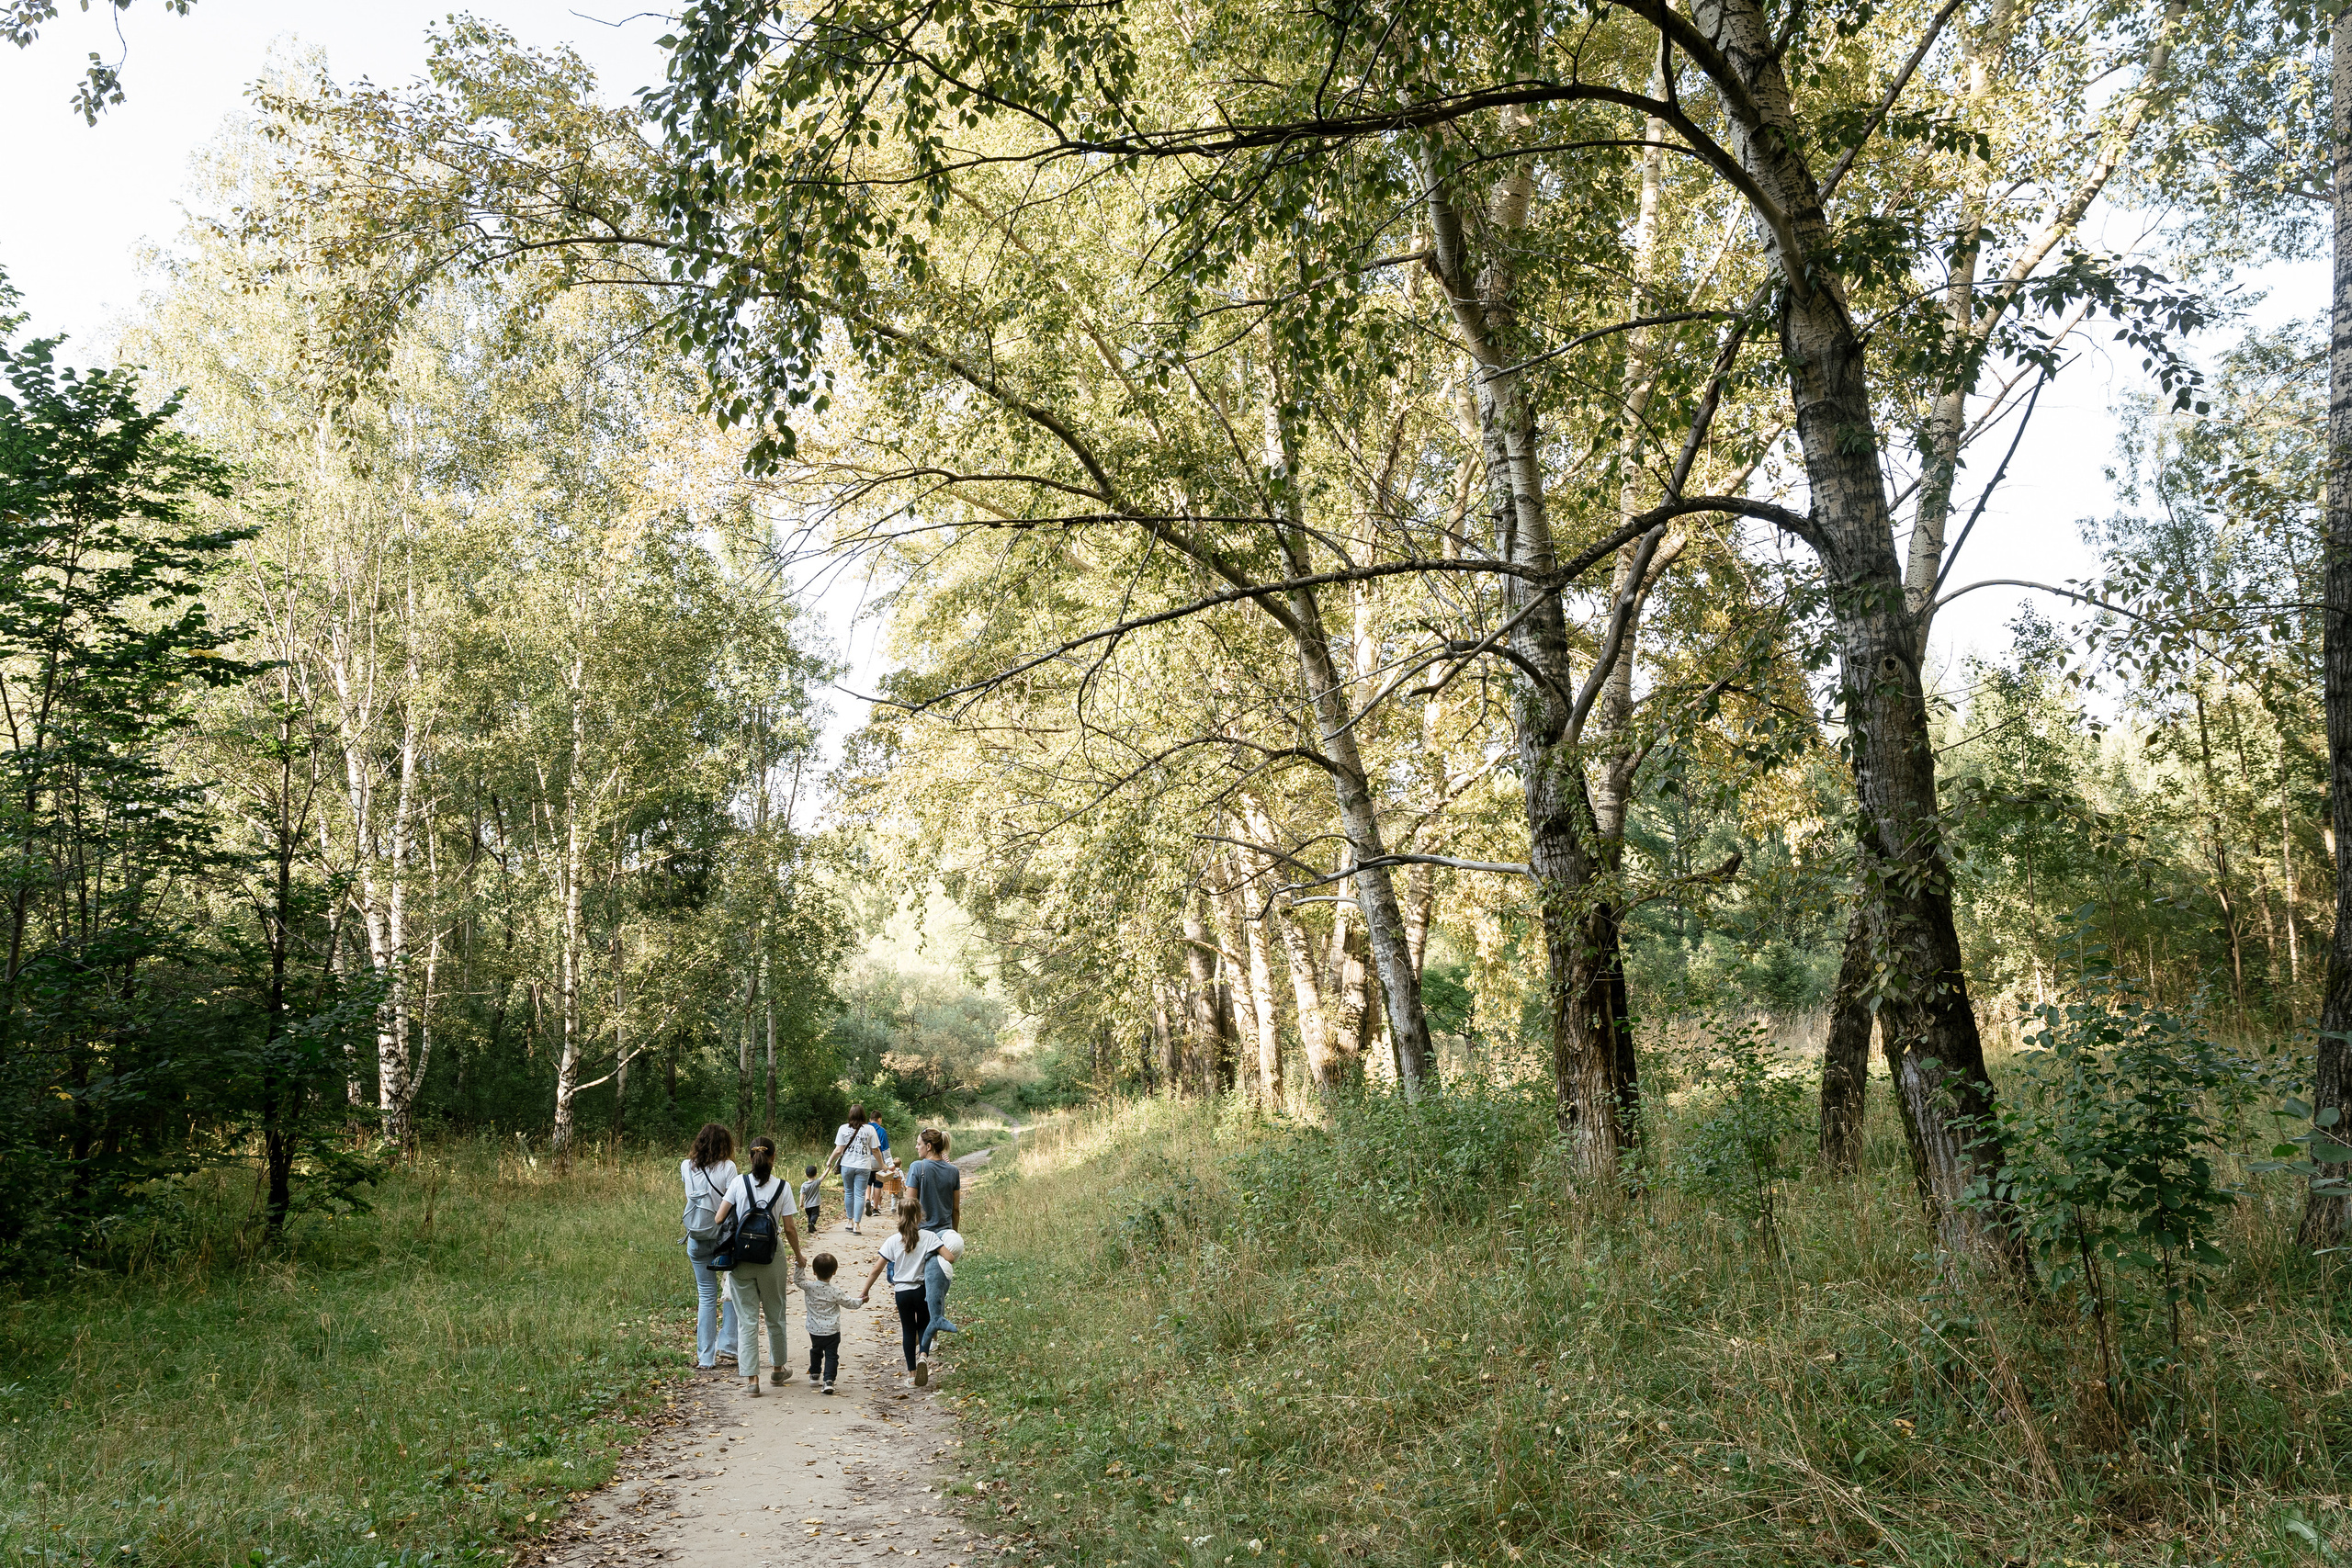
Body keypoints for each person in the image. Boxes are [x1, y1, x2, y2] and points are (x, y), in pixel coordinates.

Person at [710, 1134, 808, 1397]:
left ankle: (752, 1380)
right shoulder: (783, 1187)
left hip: (741, 1258)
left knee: (747, 1320)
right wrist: (799, 1256)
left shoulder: (738, 1183)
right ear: (774, 1157)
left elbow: (719, 1218)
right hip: (771, 1257)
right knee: (776, 1315)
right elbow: (789, 1228)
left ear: (749, 1157)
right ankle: (777, 1369)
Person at [679, 1122, 739, 1371]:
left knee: (705, 1296)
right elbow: (734, 1200)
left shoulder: (686, 1166)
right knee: (731, 1289)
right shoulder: (728, 1167)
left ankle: (706, 1358)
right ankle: (729, 1346)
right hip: (722, 1238)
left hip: (696, 1236)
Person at [861, 1205, 939, 1386]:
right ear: (920, 1216)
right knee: (924, 1325)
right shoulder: (929, 1237)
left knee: (908, 1330)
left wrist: (865, 1291)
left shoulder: (893, 1240)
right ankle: (923, 1355)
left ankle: (911, 1375)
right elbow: (949, 1257)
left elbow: (876, 1269)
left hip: (902, 1292)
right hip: (922, 1290)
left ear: (899, 1217)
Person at [792, 1252, 862, 1394]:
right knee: (831, 1356)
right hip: (832, 1331)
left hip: (814, 1329)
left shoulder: (810, 1287)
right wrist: (861, 1300)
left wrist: (799, 1266)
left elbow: (798, 1280)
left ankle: (814, 1374)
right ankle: (828, 1380)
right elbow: (850, 1303)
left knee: (816, 1350)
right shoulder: (835, 1291)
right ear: (834, 1272)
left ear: (814, 1272)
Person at [827, 1105, 882, 1235]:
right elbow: (875, 1150)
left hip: (847, 1165)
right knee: (859, 1195)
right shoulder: (870, 1129)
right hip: (863, 1166)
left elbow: (839, 1150)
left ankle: (849, 1221)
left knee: (849, 1192)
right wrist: (882, 1165)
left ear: (850, 1115)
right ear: (863, 1115)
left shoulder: (843, 1128)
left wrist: (830, 1160)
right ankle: (857, 1225)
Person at [919, 1228, 965, 1362]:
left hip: (933, 1242)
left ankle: (913, 1366)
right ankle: (926, 1350)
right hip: (945, 1240)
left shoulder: (926, 1237)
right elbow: (950, 1258)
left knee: (922, 1308)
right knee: (938, 1299)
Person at [907, 1127, 962, 1232]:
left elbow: (910, 1205)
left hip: (923, 1232)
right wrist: (954, 1232)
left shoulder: (917, 1167)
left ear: (928, 1146)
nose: (916, 1147)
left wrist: (909, 1234)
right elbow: (955, 1210)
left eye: (919, 1144)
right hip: (946, 1232)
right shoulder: (953, 1171)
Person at [799, 1163, 822, 1235]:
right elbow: (824, 1176)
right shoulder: (816, 1182)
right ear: (816, 1174)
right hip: (815, 1204)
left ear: (806, 1175)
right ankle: (812, 1223)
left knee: (809, 1216)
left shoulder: (804, 1185)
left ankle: (811, 1228)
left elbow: (802, 1194)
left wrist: (801, 1203)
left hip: (807, 1206)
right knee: (815, 1215)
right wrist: (828, 1168)